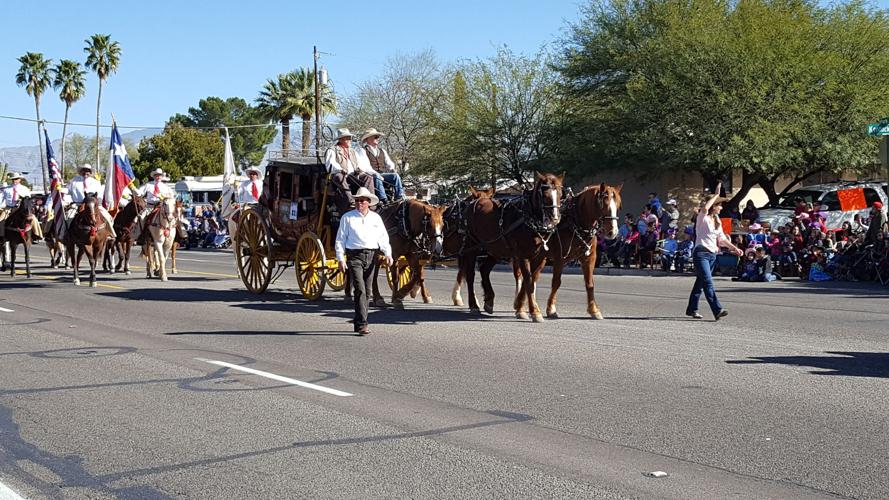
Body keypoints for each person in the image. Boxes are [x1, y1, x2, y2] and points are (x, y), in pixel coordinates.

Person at [335, 187, 393, 336]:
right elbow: (340, 239)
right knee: (360, 289)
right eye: (357, 200)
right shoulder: (347, 217)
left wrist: (388, 254)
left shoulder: (375, 218)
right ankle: (362, 324)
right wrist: (340, 258)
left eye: (362, 201)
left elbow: (383, 237)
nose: (359, 203)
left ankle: (359, 320)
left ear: (368, 202)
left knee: (367, 291)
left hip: (371, 255)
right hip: (354, 256)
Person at [686, 183, 743, 320]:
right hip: (701, 253)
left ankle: (692, 309)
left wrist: (734, 248)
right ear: (714, 206)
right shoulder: (702, 218)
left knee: (701, 283)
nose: (721, 208)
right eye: (719, 205)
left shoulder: (717, 221)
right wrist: (716, 195)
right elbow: (705, 208)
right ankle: (717, 310)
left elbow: (722, 239)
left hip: (712, 255)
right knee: (708, 282)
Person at [324, 128, 375, 214]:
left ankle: (369, 203)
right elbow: (331, 164)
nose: (350, 140)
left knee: (368, 178)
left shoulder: (353, 151)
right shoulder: (332, 150)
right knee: (339, 176)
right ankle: (351, 202)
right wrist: (340, 169)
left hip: (352, 176)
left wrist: (359, 170)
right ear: (340, 139)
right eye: (347, 138)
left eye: (350, 138)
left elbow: (359, 165)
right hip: (338, 178)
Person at [66, 164, 116, 239]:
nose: (86, 172)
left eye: (88, 171)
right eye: (84, 170)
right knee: (68, 217)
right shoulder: (74, 181)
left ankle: (109, 234)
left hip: (93, 205)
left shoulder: (95, 182)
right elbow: (68, 191)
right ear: (81, 171)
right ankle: (66, 234)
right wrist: (60, 189)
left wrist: (98, 202)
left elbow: (100, 194)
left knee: (107, 217)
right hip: (78, 204)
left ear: (90, 172)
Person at [357, 128, 405, 203]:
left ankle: (400, 196)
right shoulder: (362, 151)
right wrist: (377, 174)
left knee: (395, 176)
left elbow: (389, 163)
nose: (378, 138)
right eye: (376, 137)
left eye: (378, 137)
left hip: (383, 174)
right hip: (372, 175)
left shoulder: (382, 151)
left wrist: (392, 168)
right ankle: (383, 199)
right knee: (377, 176)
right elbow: (366, 167)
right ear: (368, 139)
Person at [133, 168, 176, 244]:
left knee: (174, 218)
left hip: (162, 207)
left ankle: (178, 235)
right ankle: (138, 236)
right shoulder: (148, 185)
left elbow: (172, 196)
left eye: (160, 175)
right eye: (156, 175)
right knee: (141, 218)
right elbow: (140, 193)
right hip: (150, 207)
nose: (158, 177)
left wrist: (164, 196)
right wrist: (134, 189)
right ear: (154, 176)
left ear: (162, 177)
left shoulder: (166, 187)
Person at [0, 172, 43, 242]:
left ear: (19, 179)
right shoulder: (7, 189)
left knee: (33, 219)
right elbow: (1, 198)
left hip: (21, 209)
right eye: (13, 179)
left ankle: (36, 235)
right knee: (0, 220)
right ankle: (1, 237)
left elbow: (29, 200)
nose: (15, 180)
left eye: (16, 179)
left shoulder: (24, 189)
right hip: (9, 208)